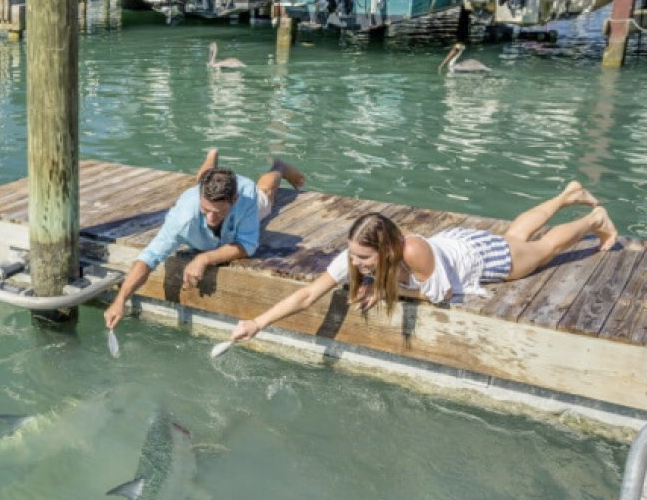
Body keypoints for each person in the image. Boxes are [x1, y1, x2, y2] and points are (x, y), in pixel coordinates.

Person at [229, 181, 619, 344]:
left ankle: (591, 219)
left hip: (478, 257)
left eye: (363, 258)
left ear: (385, 251)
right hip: (452, 246)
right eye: (352, 254)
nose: (355, 262)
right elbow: (309, 294)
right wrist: (257, 323)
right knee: (517, 238)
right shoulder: (359, 255)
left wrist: (382, 288)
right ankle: (567, 195)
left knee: (539, 252)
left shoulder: (412, 251)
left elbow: (441, 295)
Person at [103, 151, 305, 331]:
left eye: (217, 212)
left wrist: (204, 258)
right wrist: (120, 300)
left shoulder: (245, 197)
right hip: (196, 197)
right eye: (205, 210)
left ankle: (279, 167)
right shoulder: (182, 219)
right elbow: (149, 258)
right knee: (201, 182)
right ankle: (211, 157)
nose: (210, 218)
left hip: (246, 199)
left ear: (234, 200)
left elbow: (248, 245)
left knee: (267, 195)